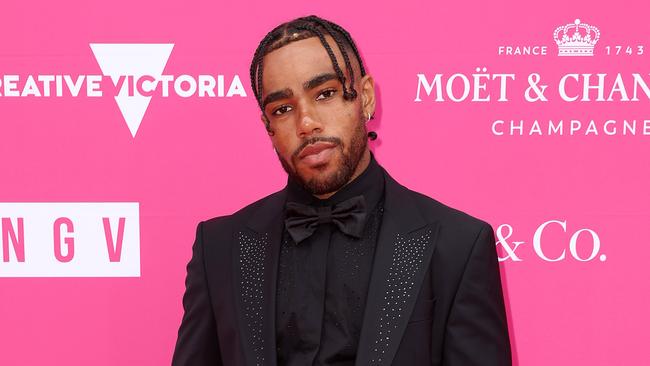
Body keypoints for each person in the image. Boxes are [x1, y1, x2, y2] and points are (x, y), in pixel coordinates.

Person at [172, 14, 511, 366]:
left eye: (326, 93)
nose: (306, 123)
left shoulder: (456, 246)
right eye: (283, 109)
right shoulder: (220, 249)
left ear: (365, 98)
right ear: (268, 127)